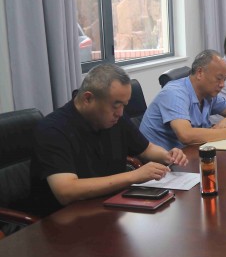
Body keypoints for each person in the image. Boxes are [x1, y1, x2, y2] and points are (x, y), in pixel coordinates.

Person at [29, 64, 189, 216]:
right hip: (64, 220)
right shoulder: (53, 130)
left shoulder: (115, 119)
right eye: (115, 105)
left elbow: (146, 149)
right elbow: (66, 191)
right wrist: (133, 176)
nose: (120, 113)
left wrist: (167, 155)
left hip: (110, 207)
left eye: (124, 105)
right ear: (88, 98)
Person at [139, 50, 226, 150]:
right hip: (162, 161)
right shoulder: (175, 93)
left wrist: (223, 124)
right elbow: (185, 135)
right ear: (200, 73)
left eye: (224, 80)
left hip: (189, 152)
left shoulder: (209, 94)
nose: (222, 85)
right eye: (219, 78)